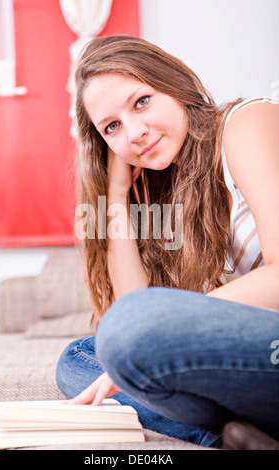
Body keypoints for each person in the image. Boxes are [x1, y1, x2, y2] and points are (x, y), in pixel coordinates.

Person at [56, 36, 279, 450]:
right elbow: (130, 310)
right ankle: (236, 437)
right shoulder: (177, 195)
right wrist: (118, 195)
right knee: (80, 360)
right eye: (112, 127)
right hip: (262, 354)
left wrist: (167, 322)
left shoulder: (246, 124)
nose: (135, 133)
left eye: (141, 101)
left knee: (125, 342)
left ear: (173, 83)